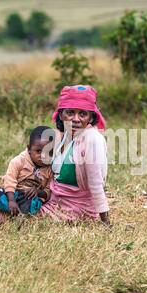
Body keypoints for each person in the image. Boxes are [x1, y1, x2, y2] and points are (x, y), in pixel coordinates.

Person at [38, 84, 110, 225]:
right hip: (54, 199)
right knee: (15, 203)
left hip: (77, 208)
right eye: (70, 113)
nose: (76, 119)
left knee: (23, 214)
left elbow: (96, 184)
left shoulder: (92, 140)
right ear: (60, 114)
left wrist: (106, 223)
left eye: (82, 114)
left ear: (90, 117)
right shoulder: (62, 135)